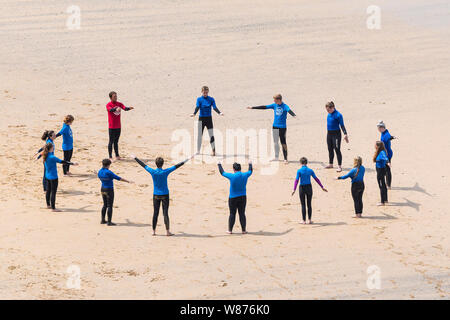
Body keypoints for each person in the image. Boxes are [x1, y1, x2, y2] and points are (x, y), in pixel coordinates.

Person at [133, 154, 194, 236]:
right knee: (165, 213)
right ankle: (167, 232)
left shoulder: (153, 171)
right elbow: (177, 165)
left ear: (156, 164)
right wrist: (187, 159)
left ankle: (153, 231)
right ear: (162, 164)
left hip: (156, 195)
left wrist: (135, 158)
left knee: (155, 213)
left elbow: (143, 165)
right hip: (165, 194)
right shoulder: (165, 172)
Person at [247, 94, 296, 163]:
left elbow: (289, 110)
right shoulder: (274, 105)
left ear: (278, 100)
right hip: (275, 126)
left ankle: (285, 159)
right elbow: (265, 107)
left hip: (282, 127)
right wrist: (252, 107)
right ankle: (276, 157)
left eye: (275, 100)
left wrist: (294, 115)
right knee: (275, 142)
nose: (274, 101)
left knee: (283, 143)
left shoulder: (285, 106)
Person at [217, 160, 253, 234]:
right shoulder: (245, 175)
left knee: (232, 213)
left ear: (234, 169)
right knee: (242, 213)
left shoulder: (232, 176)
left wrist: (219, 164)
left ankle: (230, 230)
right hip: (243, 197)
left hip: (233, 198)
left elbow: (222, 172)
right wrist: (250, 163)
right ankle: (243, 230)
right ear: (240, 169)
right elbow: (250, 171)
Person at [42, 143, 78, 211]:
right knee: (53, 192)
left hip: (47, 176)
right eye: (53, 147)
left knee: (48, 191)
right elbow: (63, 162)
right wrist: (73, 163)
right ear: (50, 149)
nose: (53, 148)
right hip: (53, 177)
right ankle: (53, 208)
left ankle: (48, 205)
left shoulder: (45, 155)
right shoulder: (52, 157)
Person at [190, 86, 224, 156]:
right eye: (204, 92)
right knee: (199, 135)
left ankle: (213, 151)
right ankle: (198, 150)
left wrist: (219, 113)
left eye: (206, 92)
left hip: (209, 119)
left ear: (208, 92)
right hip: (201, 119)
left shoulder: (211, 99)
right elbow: (197, 107)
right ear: (201, 92)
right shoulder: (199, 99)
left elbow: (214, 107)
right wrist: (194, 113)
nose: (205, 94)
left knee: (211, 135)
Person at [291, 157, 327, 224]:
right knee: (309, 204)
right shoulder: (310, 170)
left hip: (302, 188)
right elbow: (316, 179)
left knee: (303, 204)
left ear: (300, 163)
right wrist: (322, 187)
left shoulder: (299, 171)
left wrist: (294, 189)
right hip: (309, 187)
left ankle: (304, 221)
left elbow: (296, 180)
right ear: (306, 163)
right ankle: (310, 220)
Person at [97, 159, 132, 226]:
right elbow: (118, 178)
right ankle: (109, 222)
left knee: (105, 205)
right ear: (108, 165)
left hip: (102, 189)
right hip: (109, 190)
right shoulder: (109, 172)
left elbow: (99, 176)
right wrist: (128, 181)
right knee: (110, 206)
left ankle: (102, 220)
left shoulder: (100, 171)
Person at [106, 91, 134, 160]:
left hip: (118, 126)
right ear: (110, 98)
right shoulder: (108, 105)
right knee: (111, 141)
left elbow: (124, 108)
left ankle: (117, 155)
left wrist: (129, 108)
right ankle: (110, 156)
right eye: (114, 96)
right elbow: (111, 110)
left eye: (116, 96)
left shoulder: (119, 104)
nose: (116, 97)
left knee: (116, 142)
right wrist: (116, 108)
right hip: (111, 127)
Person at [325, 101, 349, 172]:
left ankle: (339, 166)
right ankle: (331, 164)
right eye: (326, 110)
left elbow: (342, 125)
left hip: (336, 134)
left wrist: (345, 134)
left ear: (332, 108)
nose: (327, 111)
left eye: (328, 110)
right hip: (329, 134)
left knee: (337, 149)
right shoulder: (329, 114)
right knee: (330, 149)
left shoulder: (338, 115)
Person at [377, 120, 395, 189]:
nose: (378, 130)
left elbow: (389, 137)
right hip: (383, 153)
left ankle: (389, 185)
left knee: (387, 170)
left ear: (382, 128)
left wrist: (392, 137)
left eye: (378, 128)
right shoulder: (383, 132)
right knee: (385, 169)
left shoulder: (386, 134)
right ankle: (387, 183)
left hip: (388, 154)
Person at [373, 141, 390, 206]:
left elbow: (385, 158)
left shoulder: (382, 152)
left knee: (381, 186)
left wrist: (388, 162)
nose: (374, 146)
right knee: (383, 184)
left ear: (378, 146)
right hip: (381, 170)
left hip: (380, 171)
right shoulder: (379, 151)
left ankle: (382, 202)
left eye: (375, 145)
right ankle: (385, 200)